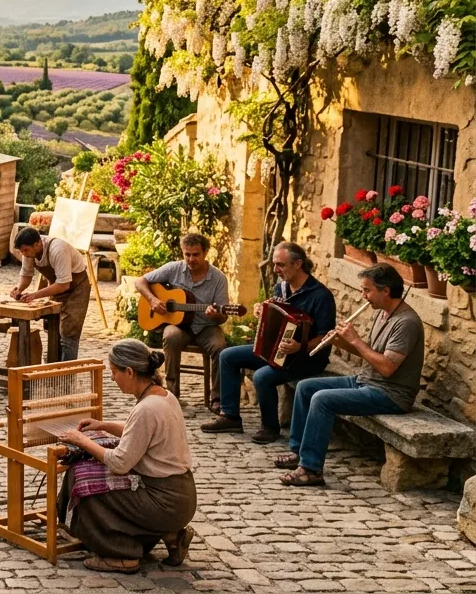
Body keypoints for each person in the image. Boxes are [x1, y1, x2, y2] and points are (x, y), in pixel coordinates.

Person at [55, 340, 196, 573]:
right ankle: (172, 536)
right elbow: (140, 434)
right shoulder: (164, 396)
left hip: (165, 502)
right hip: (182, 496)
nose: (112, 378)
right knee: (97, 477)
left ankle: (123, 554)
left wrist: (82, 441)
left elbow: (120, 463)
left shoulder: (146, 409)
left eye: (114, 373)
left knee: (85, 483)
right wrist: (103, 425)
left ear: (129, 372)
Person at [276, 263, 422, 487]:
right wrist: (341, 342)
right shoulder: (382, 312)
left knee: (322, 400)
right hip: (367, 381)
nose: (363, 296)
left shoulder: (406, 322)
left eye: (367, 290)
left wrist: (355, 340)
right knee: (306, 387)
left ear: (385, 290)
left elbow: (387, 368)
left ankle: (311, 469)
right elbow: (371, 354)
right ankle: (299, 453)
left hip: (390, 393)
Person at [201, 242, 337, 444]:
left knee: (263, 375)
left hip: (306, 358)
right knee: (228, 356)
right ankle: (230, 416)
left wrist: (300, 347)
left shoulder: (321, 296)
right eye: (275, 264)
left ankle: (270, 427)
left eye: (280, 265)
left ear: (298, 264)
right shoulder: (281, 287)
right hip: (277, 351)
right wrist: (262, 310)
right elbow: (275, 316)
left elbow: (326, 337)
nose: (275, 270)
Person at [134, 233, 231, 408]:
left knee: (219, 347)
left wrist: (215, 314)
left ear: (205, 252)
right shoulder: (174, 268)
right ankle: (172, 395)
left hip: (206, 326)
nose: (191, 259)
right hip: (180, 326)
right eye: (187, 254)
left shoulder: (218, 279)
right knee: (170, 336)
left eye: (196, 254)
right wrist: (152, 300)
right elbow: (140, 281)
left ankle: (217, 399)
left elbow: (223, 316)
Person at [10, 226, 91, 361]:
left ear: (38, 244)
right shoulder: (29, 252)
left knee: (68, 332)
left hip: (77, 289)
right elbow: (26, 275)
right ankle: (52, 366)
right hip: (57, 287)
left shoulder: (58, 250)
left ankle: (66, 373)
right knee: (52, 326)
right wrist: (19, 289)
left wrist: (35, 295)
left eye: (25, 250)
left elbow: (64, 284)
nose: (23, 254)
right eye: (21, 251)